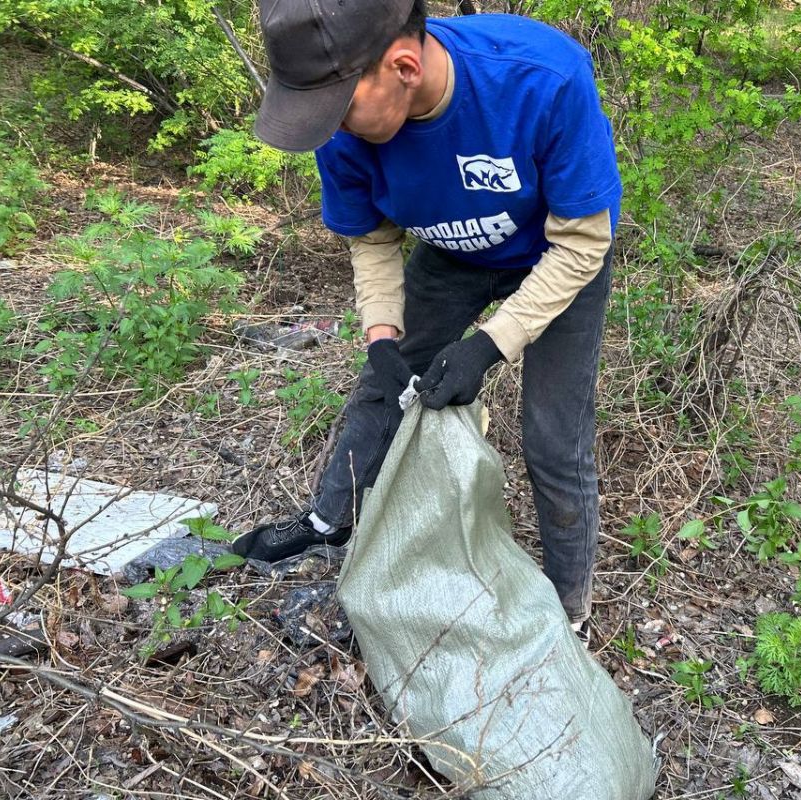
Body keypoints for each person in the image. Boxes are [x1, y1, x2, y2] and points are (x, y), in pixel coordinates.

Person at [234, 0, 621, 631]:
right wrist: (383, 334)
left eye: (338, 110)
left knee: (555, 432)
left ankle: (566, 603)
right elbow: (373, 238)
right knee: (381, 388)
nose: (329, 128)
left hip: (557, 253)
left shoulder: (541, 77)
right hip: (451, 255)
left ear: (404, 66)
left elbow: (582, 241)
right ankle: (329, 520)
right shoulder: (340, 123)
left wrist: (491, 345)